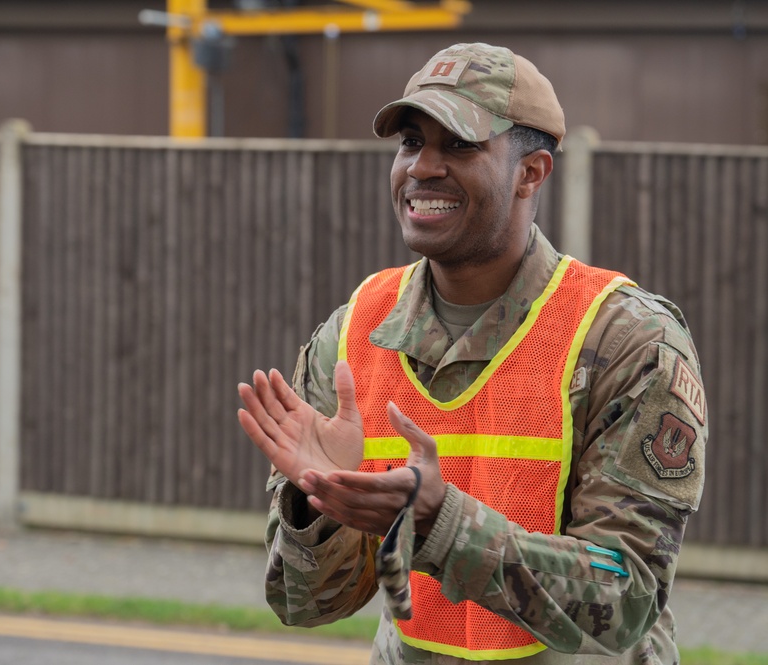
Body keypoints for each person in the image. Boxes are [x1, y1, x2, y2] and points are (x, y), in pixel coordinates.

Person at [236, 42, 707, 665]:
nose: (423, 167)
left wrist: (441, 524)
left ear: (531, 172)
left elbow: (625, 601)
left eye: (458, 145)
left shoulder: (626, 341)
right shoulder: (353, 334)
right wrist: (318, 505)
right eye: (410, 142)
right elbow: (304, 606)